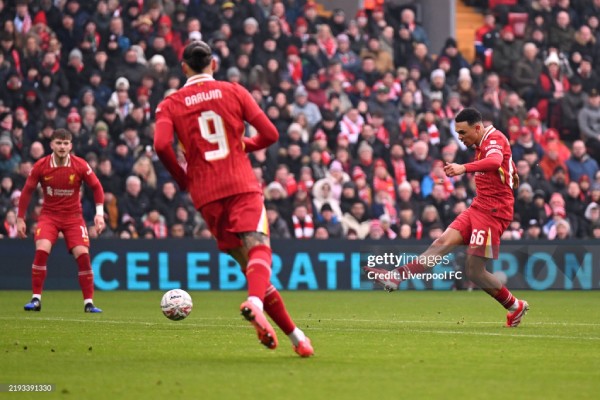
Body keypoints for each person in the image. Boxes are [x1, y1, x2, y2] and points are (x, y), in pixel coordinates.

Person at [154, 40, 313, 357]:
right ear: (213, 64)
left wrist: (183, 178)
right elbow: (270, 135)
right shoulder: (234, 91)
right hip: (239, 181)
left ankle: (297, 338)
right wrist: (242, 146)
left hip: (205, 194)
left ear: (184, 67)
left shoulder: (170, 103)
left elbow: (161, 146)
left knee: (252, 269)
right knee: (260, 250)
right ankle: (254, 304)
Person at [364, 108, 529, 328]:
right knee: (440, 243)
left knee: (474, 272)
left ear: (477, 128)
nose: (460, 137)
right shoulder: (483, 142)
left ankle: (515, 306)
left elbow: (495, 160)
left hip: (493, 213)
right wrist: (512, 173)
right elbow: (502, 163)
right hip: (478, 207)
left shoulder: (494, 138)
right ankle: (397, 277)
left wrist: (463, 168)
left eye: (462, 132)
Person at [17, 129, 105, 313]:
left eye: (66, 143)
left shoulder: (80, 165)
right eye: (59, 143)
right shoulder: (41, 165)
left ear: (71, 145)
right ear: (52, 145)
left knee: (83, 256)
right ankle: (36, 299)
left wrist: (99, 213)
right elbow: (27, 191)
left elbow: (97, 187)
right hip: (49, 215)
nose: (62, 147)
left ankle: (89, 303)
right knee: (41, 250)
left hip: (73, 217)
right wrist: (20, 218)